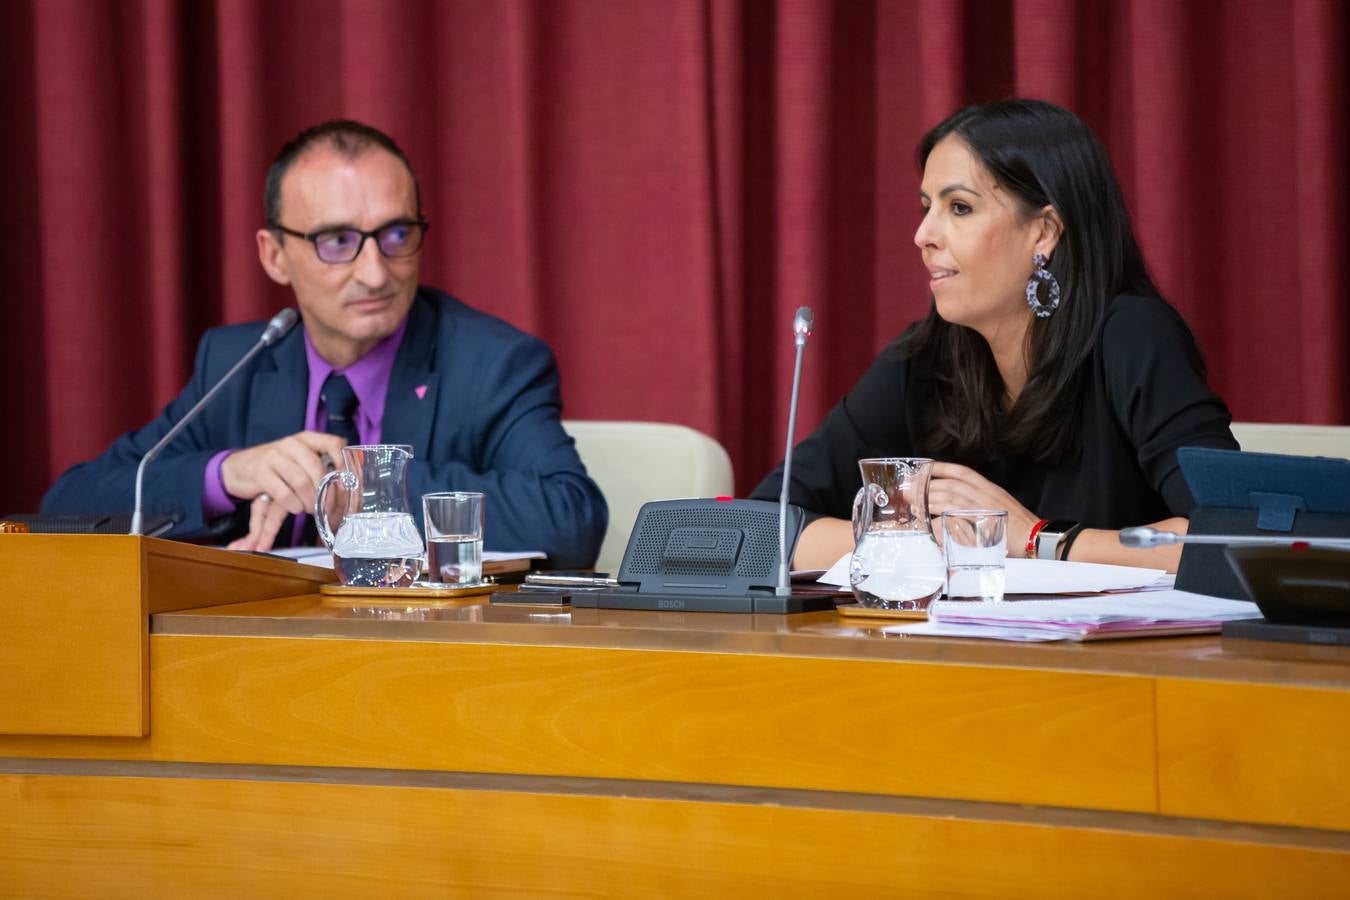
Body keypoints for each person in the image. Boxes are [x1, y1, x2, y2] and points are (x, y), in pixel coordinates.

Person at [42, 120, 607, 568]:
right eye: (337, 241)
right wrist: (226, 474)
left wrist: (360, 485)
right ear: (274, 255)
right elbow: (67, 507)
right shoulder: (239, 362)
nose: (375, 272)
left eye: (396, 235)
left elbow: (572, 520)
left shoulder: (492, 363)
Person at [752, 98, 1236, 573]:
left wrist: (1033, 539)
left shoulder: (1132, 336)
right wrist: (926, 539)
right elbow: (757, 528)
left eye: (959, 207)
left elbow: (1233, 538)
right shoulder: (924, 358)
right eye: (926, 207)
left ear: (1044, 232)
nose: (923, 235)